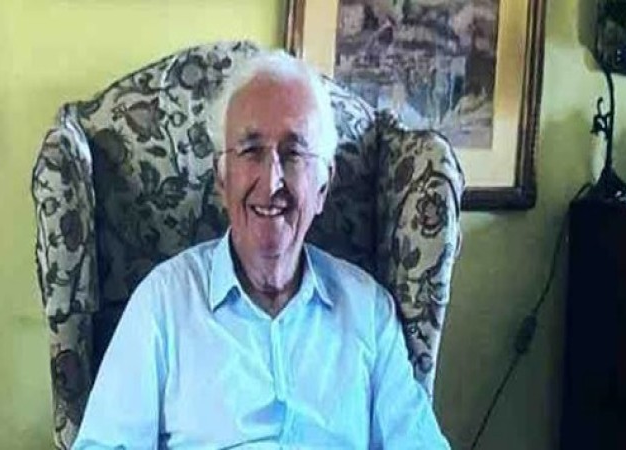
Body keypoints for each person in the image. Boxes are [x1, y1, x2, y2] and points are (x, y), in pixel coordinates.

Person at [72, 50, 449, 449]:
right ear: (222, 179)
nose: (271, 183)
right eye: (251, 151)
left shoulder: (368, 310)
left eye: (294, 154)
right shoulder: (163, 303)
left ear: (323, 185)